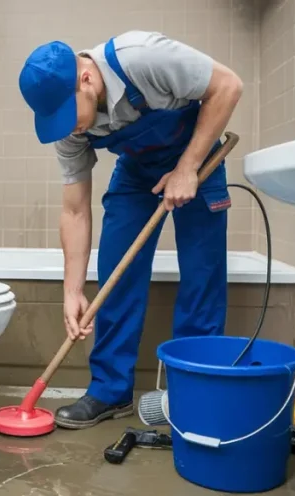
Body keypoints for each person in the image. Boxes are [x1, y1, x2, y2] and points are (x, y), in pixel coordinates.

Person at [18, 31, 243, 429]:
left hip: (198, 157)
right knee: (116, 272)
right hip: (137, 173)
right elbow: (74, 211)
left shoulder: (141, 58)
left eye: (70, 116)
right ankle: (109, 390)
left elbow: (227, 85)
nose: (69, 129)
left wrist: (188, 168)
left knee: (202, 276)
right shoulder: (68, 129)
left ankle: (192, 389)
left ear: (86, 79)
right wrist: (71, 291)